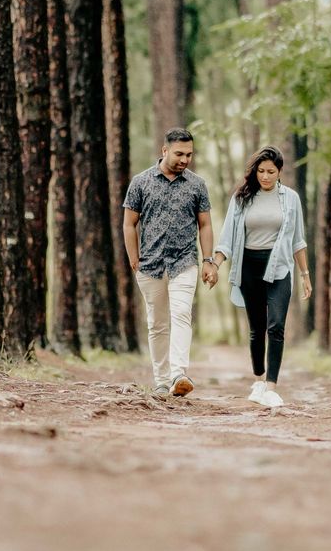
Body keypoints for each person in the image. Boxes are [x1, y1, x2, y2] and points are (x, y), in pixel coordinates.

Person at [212, 145, 310, 408]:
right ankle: (258, 380)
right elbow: (227, 239)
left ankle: (271, 387)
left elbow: (298, 240)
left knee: (276, 325)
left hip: (279, 268)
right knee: (257, 329)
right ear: (254, 171)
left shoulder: (291, 199)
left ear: (280, 172)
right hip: (249, 268)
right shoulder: (242, 198)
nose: (265, 176)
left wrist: (305, 274)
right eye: (261, 171)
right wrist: (215, 264)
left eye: (271, 172)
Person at [123, 129, 218, 398]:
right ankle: (161, 380)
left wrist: (209, 260)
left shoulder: (197, 185)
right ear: (164, 150)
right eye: (179, 154)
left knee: (181, 314)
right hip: (150, 264)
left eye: (189, 154)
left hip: (184, 262)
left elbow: (206, 224)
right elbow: (129, 223)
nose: (185, 159)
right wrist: (133, 255)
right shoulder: (140, 182)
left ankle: (179, 373)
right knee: (157, 323)